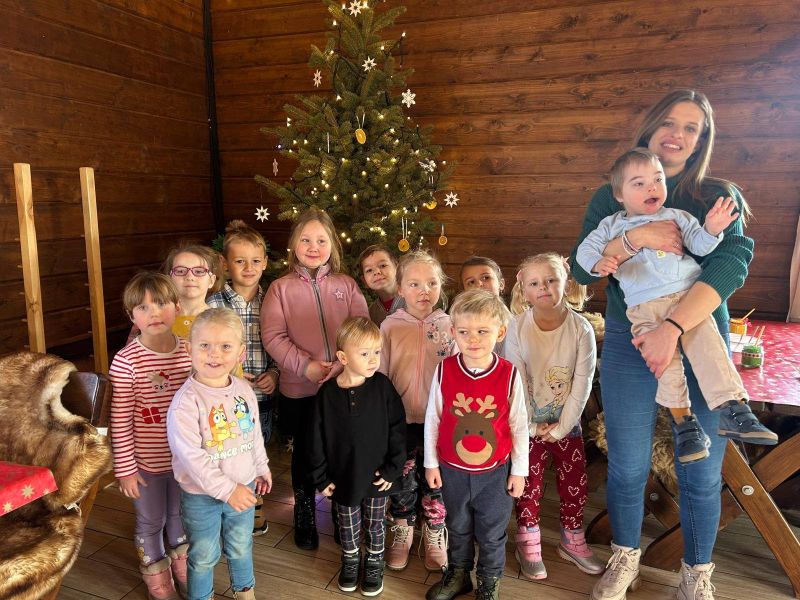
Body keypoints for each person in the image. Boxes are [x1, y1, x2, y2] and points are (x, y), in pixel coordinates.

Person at [569, 89, 756, 600]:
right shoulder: (611, 196)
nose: (677, 134)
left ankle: (696, 573)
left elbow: (729, 265)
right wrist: (637, 238)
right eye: (670, 122)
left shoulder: (717, 196)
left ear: (701, 141)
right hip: (629, 341)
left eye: (691, 127)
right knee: (627, 462)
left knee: (701, 466)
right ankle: (625, 557)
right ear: (651, 126)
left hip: (698, 335)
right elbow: (583, 269)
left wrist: (670, 329)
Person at [576, 148, 777, 464]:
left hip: (686, 299)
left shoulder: (676, 216)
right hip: (643, 308)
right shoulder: (610, 226)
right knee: (666, 367)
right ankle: (685, 426)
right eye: (639, 183)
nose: (652, 187)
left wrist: (712, 228)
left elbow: (700, 245)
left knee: (710, 350)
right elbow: (584, 255)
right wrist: (599, 261)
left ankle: (733, 408)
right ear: (619, 195)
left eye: (658, 180)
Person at [261, 208, 369, 550]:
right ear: (294, 245)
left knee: (339, 448)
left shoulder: (346, 286)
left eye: (321, 240)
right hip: (300, 389)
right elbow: (273, 336)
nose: (313, 246)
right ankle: (305, 509)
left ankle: (340, 511)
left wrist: (342, 366)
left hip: (342, 386)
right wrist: (305, 366)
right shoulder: (280, 289)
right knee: (304, 452)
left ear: (332, 244)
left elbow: (361, 330)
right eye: (305, 240)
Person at [505, 253, 605, 581]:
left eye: (551, 280)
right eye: (535, 283)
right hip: (527, 425)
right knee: (528, 482)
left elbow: (582, 382)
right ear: (523, 288)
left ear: (566, 282)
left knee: (574, 482)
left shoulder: (581, 329)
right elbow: (516, 380)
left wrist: (563, 427)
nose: (544, 287)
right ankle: (528, 538)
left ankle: (571, 538)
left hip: (568, 424)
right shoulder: (517, 327)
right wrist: (531, 426)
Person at [423, 290, 528, 600]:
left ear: (500, 332)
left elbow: (519, 424)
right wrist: (431, 463)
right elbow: (433, 418)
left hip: (494, 474)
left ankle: (488, 582)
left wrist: (519, 470)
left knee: (492, 533)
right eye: (465, 331)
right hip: (452, 470)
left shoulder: (509, 374)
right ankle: (459, 574)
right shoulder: (445, 369)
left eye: (482, 331)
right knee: (457, 525)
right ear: (453, 331)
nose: (473, 339)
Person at [167, 308, 272, 600]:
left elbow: (253, 433)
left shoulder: (244, 390)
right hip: (201, 497)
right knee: (203, 555)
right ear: (189, 350)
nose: (214, 354)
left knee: (241, 545)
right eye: (205, 345)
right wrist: (228, 490)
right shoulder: (186, 403)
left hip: (243, 486)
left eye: (225, 346)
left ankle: (245, 591)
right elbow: (192, 459)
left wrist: (261, 466)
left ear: (240, 353)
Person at [307, 317, 407, 596]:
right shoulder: (327, 394)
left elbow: (398, 429)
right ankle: (351, 558)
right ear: (343, 357)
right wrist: (320, 477)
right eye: (364, 353)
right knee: (347, 523)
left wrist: (393, 469)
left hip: (378, 476)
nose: (373, 359)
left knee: (376, 523)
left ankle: (374, 560)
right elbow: (315, 439)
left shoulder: (383, 387)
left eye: (377, 352)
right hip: (343, 477)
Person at [109, 272, 192, 600]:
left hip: (185, 462)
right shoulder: (126, 361)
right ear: (132, 317)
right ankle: (158, 581)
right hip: (145, 465)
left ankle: (183, 568)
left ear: (177, 307)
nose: (153, 313)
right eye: (142, 308)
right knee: (151, 520)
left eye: (160, 304)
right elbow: (120, 420)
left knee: (179, 516)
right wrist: (125, 469)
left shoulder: (190, 351)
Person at [379, 250, 453, 572]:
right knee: (403, 478)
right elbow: (379, 374)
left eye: (432, 283)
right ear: (400, 289)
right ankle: (403, 528)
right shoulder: (390, 327)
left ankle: (435, 530)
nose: (425, 291)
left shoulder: (450, 326)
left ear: (441, 286)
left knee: (436, 480)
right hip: (401, 422)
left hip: (440, 422)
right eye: (415, 284)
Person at [207, 220, 279, 536]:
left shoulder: (273, 300)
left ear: (265, 263)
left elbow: (280, 341)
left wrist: (274, 373)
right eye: (240, 261)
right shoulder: (213, 302)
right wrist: (228, 372)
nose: (248, 268)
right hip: (223, 398)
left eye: (255, 261)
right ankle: (223, 503)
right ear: (225, 264)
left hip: (262, 399)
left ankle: (254, 503)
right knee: (226, 451)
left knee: (256, 451)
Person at [125, 243, 221, 344]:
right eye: (180, 271)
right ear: (169, 279)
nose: (190, 277)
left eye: (199, 271)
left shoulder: (220, 320)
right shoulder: (151, 319)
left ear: (211, 280)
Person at [460, 255, 507, 355]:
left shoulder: (515, 324)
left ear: (501, 284)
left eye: (486, 278)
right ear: (464, 291)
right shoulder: (459, 325)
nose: (479, 284)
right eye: (471, 282)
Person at [357, 244, 405, 325]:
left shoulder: (413, 299)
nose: (376, 272)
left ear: (398, 269)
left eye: (383, 265)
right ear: (364, 281)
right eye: (369, 270)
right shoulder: (371, 314)